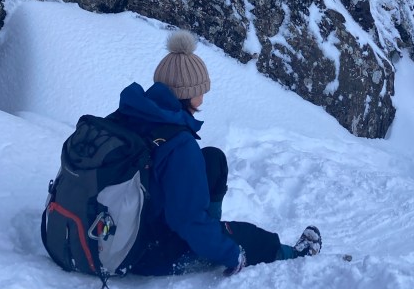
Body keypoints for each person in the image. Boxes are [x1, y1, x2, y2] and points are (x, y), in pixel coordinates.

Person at [113, 30, 321, 275]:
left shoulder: (131, 115)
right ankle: (294, 257)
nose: (204, 95)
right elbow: (186, 219)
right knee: (249, 238)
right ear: (187, 94)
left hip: (117, 227)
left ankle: (209, 233)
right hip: (144, 250)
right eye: (200, 89)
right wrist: (230, 254)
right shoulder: (179, 145)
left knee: (212, 159)